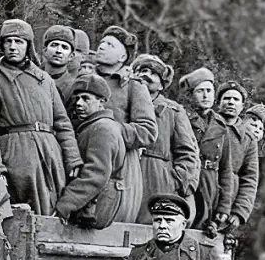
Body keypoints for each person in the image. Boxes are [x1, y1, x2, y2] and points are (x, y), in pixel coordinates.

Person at [0, 19, 82, 215]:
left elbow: (62, 123)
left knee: (54, 211)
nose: (13, 47)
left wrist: (72, 158)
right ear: (1, 45)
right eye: (8, 41)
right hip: (15, 156)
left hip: (51, 155)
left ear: (28, 46)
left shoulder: (45, 79)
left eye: (19, 41)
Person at [93, 26, 158, 223]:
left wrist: (112, 130)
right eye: (102, 43)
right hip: (86, 160)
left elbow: (148, 130)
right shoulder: (84, 79)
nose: (102, 47)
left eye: (110, 45)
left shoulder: (133, 86)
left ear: (123, 56)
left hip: (120, 168)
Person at [132, 54, 200, 225]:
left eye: (153, 73)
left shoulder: (173, 111)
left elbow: (188, 152)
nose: (146, 75)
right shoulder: (123, 103)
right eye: (142, 70)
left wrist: (174, 181)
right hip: (128, 174)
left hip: (158, 182)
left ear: (161, 85)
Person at [54, 74, 125, 229]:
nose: (78, 104)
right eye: (77, 99)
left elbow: (96, 174)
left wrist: (65, 205)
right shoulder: (93, 126)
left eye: (86, 99)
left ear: (102, 101)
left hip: (95, 208)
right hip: (89, 204)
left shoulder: (102, 128)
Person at [178, 67, 235, 233]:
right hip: (186, 182)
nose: (205, 96)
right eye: (200, 91)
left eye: (209, 91)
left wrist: (224, 206)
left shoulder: (220, 125)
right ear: (191, 95)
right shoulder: (181, 118)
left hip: (209, 186)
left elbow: (226, 169)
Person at [216, 81, 260, 234]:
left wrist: (239, 211)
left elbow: (250, 178)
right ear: (218, 103)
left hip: (229, 201)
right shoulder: (207, 126)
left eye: (236, 99)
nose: (231, 102)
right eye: (226, 98)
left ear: (242, 106)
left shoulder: (248, 139)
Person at [41, 25, 77, 101]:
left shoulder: (73, 87)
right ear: (44, 50)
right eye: (54, 45)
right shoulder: (32, 78)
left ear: (71, 56)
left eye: (64, 47)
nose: (58, 51)